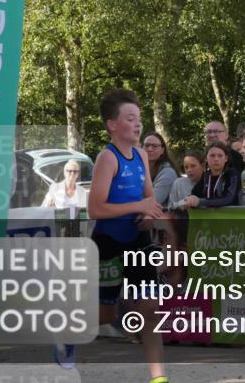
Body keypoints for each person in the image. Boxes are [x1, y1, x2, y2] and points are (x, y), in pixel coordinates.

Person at [87, 89, 166, 383]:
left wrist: (148, 215)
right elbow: (95, 208)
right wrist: (139, 206)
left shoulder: (143, 156)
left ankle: (159, 378)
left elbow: (150, 199)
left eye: (139, 118)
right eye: (130, 118)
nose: (137, 124)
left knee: (149, 308)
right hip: (108, 242)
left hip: (137, 240)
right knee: (104, 316)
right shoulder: (107, 158)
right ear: (112, 125)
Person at [185, 142, 241, 209]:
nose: (216, 159)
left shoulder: (232, 174)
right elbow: (195, 194)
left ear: (226, 158)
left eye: (220, 156)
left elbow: (229, 199)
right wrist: (189, 200)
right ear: (206, 158)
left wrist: (201, 201)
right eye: (212, 155)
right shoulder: (206, 175)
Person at [142, 132, 178, 206]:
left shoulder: (168, 172)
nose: (149, 149)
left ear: (162, 150)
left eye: (154, 146)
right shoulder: (138, 168)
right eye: (146, 145)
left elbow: (155, 200)